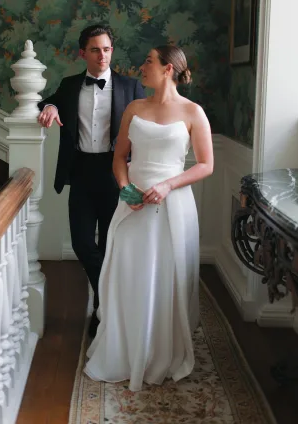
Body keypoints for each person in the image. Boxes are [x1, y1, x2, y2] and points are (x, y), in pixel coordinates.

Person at [84, 45, 214, 391]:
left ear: (168, 69)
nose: (142, 66)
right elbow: (119, 158)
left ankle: (160, 352)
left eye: (149, 61)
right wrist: (125, 188)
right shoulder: (134, 108)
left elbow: (206, 164)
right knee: (128, 272)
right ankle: (124, 349)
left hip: (173, 205)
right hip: (133, 203)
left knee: (165, 277)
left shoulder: (193, 112)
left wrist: (168, 185)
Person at [37, 24, 145, 337]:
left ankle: (101, 312)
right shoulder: (70, 85)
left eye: (107, 49)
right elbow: (44, 103)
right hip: (82, 171)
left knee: (109, 244)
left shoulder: (130, 87)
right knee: (82, 242)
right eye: (95, 49)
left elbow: (146, 127)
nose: (102, 55)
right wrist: (52, 106)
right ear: (82, 53)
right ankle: (108, 299)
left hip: (116, 172)